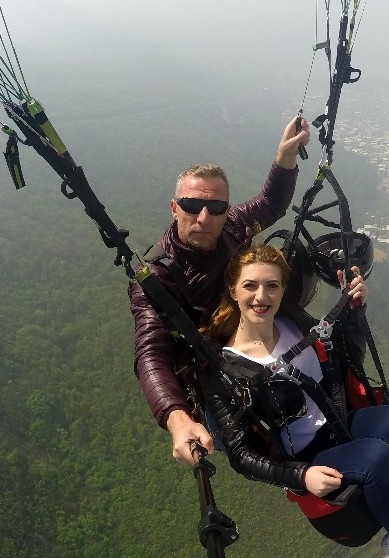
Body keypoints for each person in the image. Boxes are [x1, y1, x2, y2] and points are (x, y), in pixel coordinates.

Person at [200, 245, 389, 558]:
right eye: (250, 286)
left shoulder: (294, 323)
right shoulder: (225, 372)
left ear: (283, 290)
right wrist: (301, 476)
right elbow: (241, 455)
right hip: (309, 454)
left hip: (341, 422)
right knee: (377, 457)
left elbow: (346, 361)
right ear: (233, 291)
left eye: (272, 286)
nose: (261, 296)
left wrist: (355, 311)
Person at [129, 117, 309, 466]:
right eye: (191, 206)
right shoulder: (157, 277)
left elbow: (270, 203)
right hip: (219, 374)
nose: (204, 218)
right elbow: (151, 350)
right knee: (267, 450)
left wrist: (285, 158)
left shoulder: (233, 226)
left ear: (226, 210)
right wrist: (177, 418)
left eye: (216, 208)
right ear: (174, 208)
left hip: (258, 333)